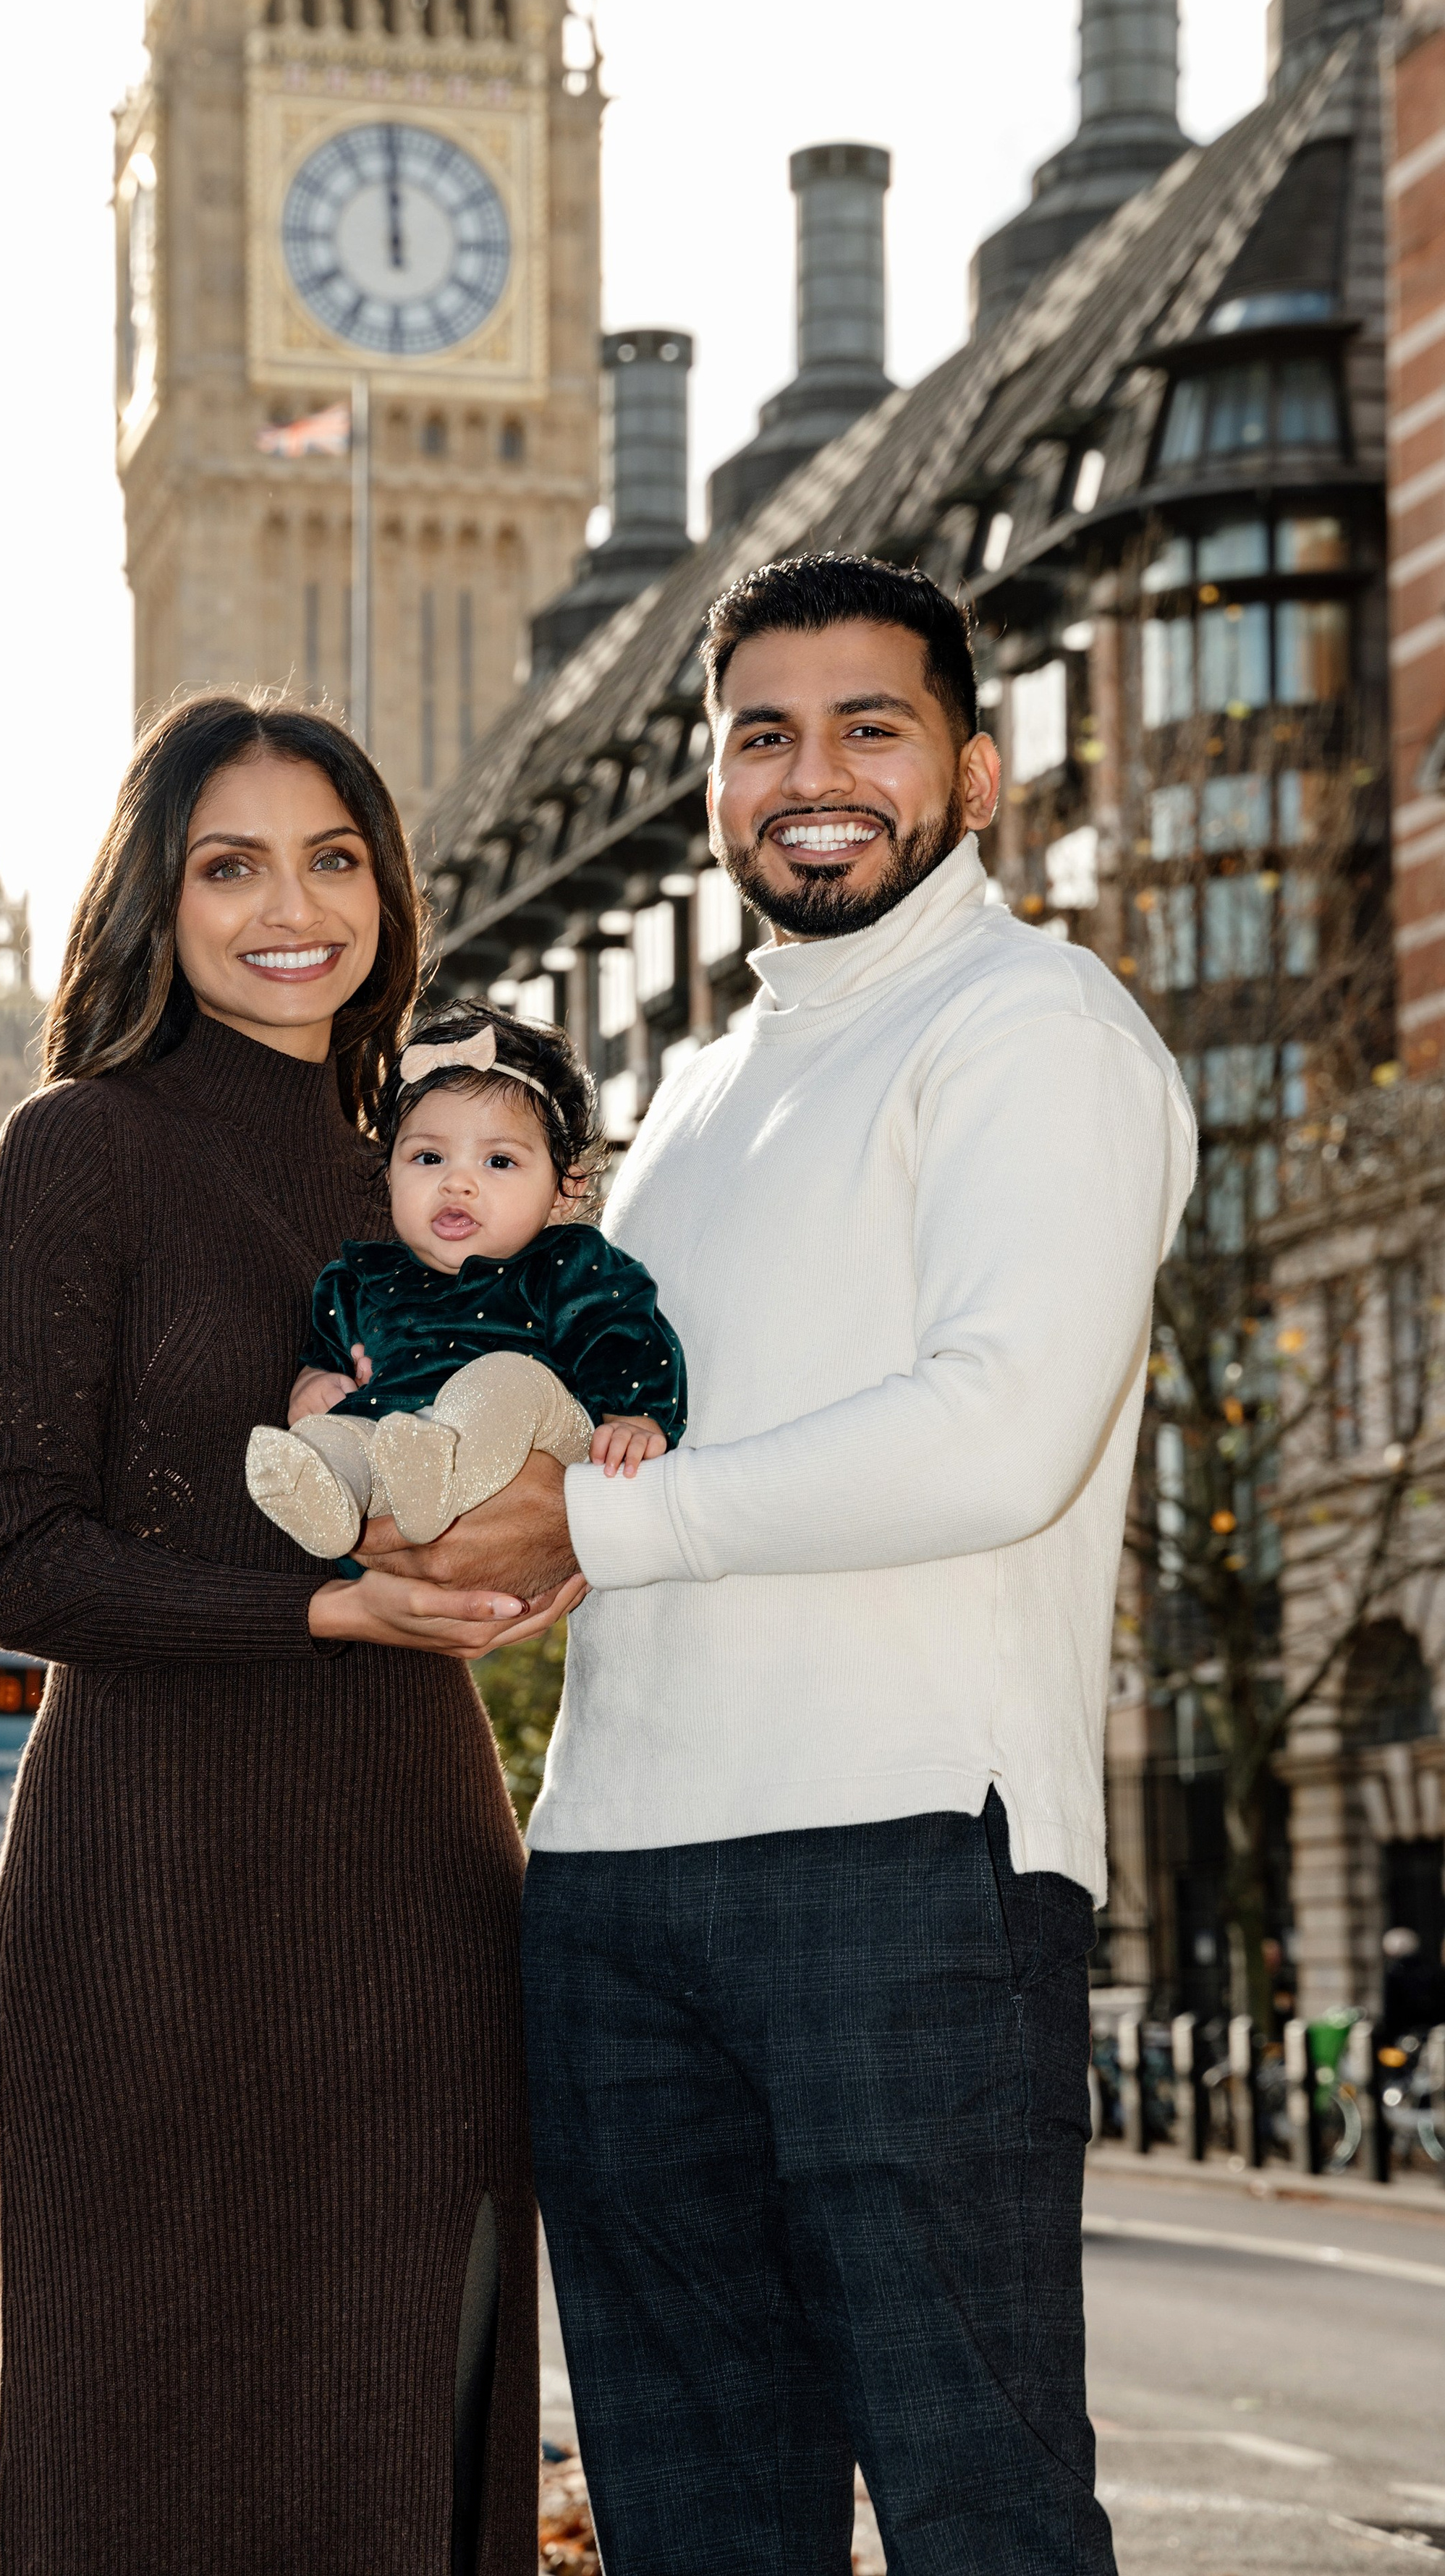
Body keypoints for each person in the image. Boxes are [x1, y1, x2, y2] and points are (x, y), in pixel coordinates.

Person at [361, 553, 1198, 2574]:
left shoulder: (1034, 1026)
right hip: (617, 1877)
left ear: (978, 774)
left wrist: (601, 1522)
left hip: (906, 1861)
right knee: (691, 2523)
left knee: (977, 2506)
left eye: (871, 728)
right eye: (764, 736)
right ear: (716, 780)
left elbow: (1001, 1425)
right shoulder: (700, 1096)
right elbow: (627, 1444)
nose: (811, 776)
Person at [0, 694, 577, 2576]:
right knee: (146, 2457)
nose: (289, 905)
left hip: (413, 1889)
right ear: (161, 896)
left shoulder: (448, 1167)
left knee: (408, 2440)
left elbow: (541, 1442)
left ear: (388, 888)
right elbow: (27, 1564)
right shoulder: (79, 1149)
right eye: (231, 864)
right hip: (148, 1912)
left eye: (332, 858)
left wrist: (543, 1542)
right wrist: (323, 1599)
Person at [247, 1002, 686, 1555]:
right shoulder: (360, 1280)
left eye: (498, 1162)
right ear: (389, 1175)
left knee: (507, 1378)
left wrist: (634, 1416)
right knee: (335, 1434)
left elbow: (625, 1337)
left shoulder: (565, 1265)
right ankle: (326, 1504)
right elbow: (327, 1359)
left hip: (533, 1450)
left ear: (564, 1191)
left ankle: (438, 1470)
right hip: (398, 1453)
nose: (458, 1183)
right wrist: (312, 1387)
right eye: (428, 1157)